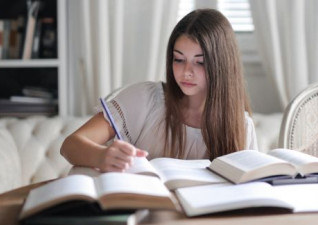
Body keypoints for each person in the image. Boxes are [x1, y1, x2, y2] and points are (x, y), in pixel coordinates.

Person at [60, 8, 258, 173]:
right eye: (178, 59)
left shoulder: (241, 126)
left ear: (221, 66)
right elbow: (70, 145)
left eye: (200, 63)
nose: (186, 72)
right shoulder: (145, 99)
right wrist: (102, 156)